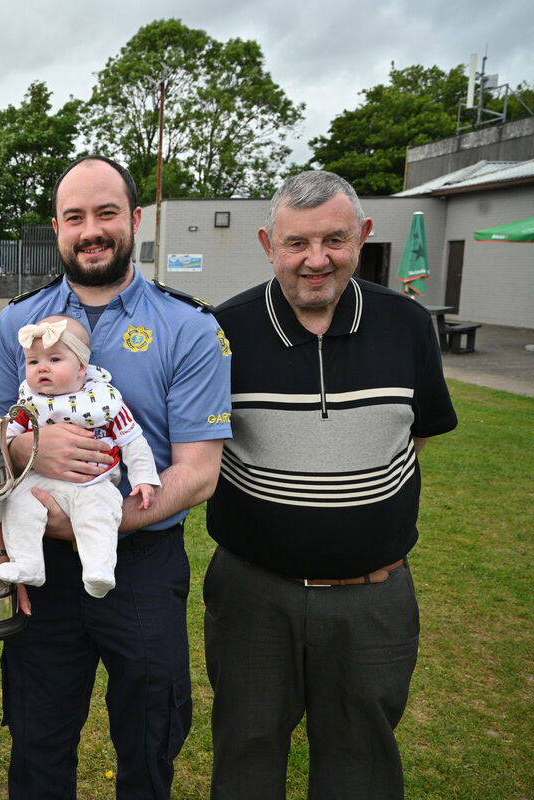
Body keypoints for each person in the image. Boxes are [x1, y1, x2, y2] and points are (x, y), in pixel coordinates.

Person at [204, 170, 458, 800]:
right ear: (268, 244)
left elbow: (415, 433)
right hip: (252, 597)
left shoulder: (407, 325)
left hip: (373, 599)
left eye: (335, 241)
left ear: (363, 236)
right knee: (246, 751)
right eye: (296, 244)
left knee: (360, 761)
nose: (316, 261)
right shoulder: (222, 333)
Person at [0, 154, 232, 799]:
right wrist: (27, 452)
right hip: (43, 569)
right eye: (75, 217)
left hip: (143, 563)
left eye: (106, 213)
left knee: (150, 737)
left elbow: (200, 473)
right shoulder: (17, 323)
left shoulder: (189, 325)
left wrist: (96, 523)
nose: (90, 229)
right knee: (38, 740)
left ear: (136, 218)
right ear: (57, 227)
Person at [0, 314, 159, 598]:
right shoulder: (29, 404)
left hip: (93, 482)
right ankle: (28, 563)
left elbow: (134, 441)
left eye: (54, 360)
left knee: (100, 513)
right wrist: (12, 449)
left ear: (82, 368)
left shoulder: (104, 403)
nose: (42, 368)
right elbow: (6, 438)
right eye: (33, 362)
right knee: (19, 505)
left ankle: (99, 569)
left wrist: (144, 478)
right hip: (41, 482)